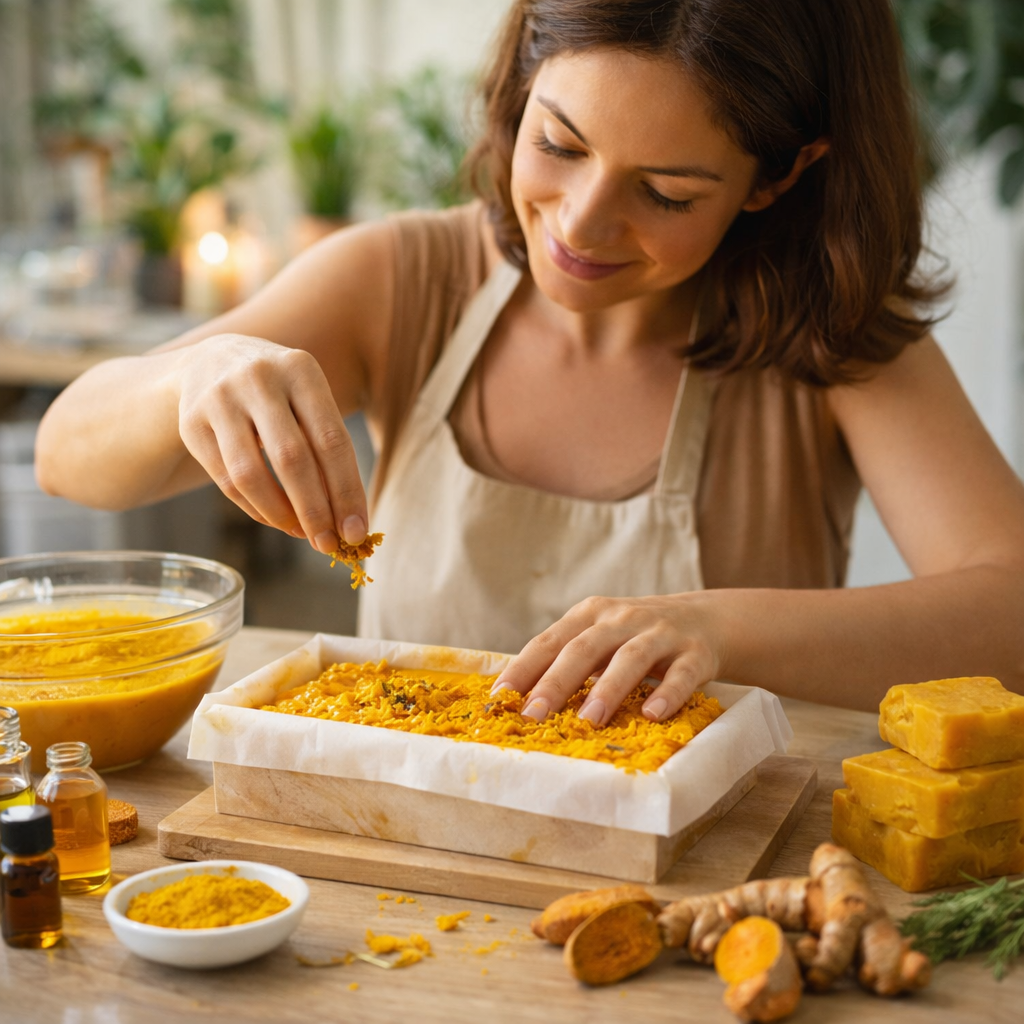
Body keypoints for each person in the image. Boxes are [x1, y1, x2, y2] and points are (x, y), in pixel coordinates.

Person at [36, 0, 1024, 724]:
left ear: (779, 176)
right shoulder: (404, 276)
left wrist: (721, 633)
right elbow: (68, 457)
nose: (581, 227)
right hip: (402, 873)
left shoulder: (830, 330)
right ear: (520, 86)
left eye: (669, 194)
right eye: (558, 143)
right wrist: (190, 378)